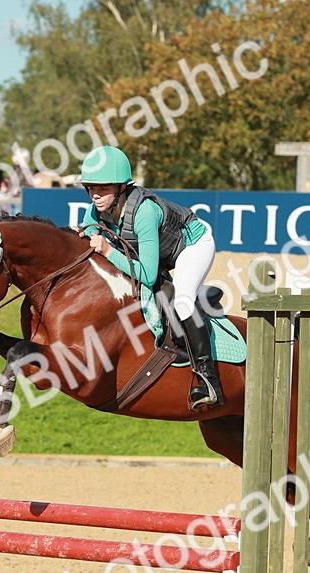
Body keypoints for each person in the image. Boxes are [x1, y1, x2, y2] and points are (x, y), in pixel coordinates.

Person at [76, 145, 222, 410]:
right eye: (90, 188)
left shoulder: (143, 211)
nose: (95, 196)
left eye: (103, 189)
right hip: (164, 253)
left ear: (121, 187)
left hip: (193, 246)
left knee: (182, 300)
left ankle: (207, 377)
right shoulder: (97, 210)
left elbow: (147, 273)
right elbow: (86, 232)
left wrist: (108, 250)